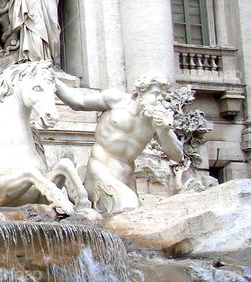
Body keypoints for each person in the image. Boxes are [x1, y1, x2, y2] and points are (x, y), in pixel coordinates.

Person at [55, 74, 184, 213]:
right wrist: (52, 78)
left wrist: (164, 131)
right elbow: (77, 102)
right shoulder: (116, 100)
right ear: (141, 92)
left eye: (163, 97)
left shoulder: (155, 121)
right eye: (156, 94)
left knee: (135, 220)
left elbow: (177, 156)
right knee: (129, 207)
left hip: (127, 179)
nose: (160, 99)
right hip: (100, 170)